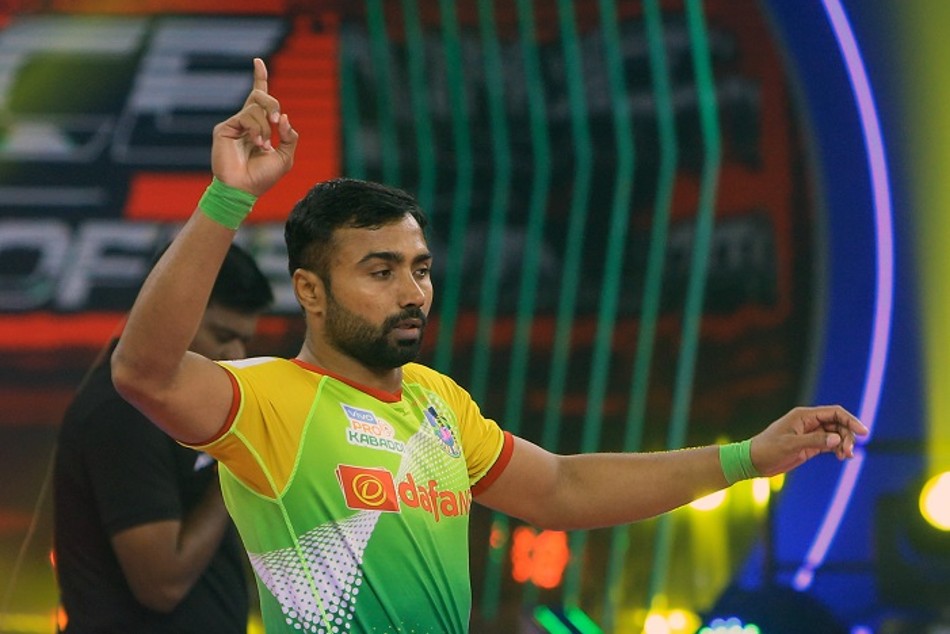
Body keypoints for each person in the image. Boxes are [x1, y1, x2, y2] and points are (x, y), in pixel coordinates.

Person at [111, 58, 868, 634]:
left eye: (420, 268)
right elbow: (144, 372)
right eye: (380, 271)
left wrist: (748, 458)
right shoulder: (270, 397)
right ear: (309, 290)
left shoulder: (439, 402)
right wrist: (230, 196)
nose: (413, 292)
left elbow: (563, 488)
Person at [53, 242, 274, 632]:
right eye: (223, 335)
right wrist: (237, 464)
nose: (236, 354)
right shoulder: (122, 412)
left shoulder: (181, 407)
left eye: (245, 340)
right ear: (171, 312)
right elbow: (161, 585)